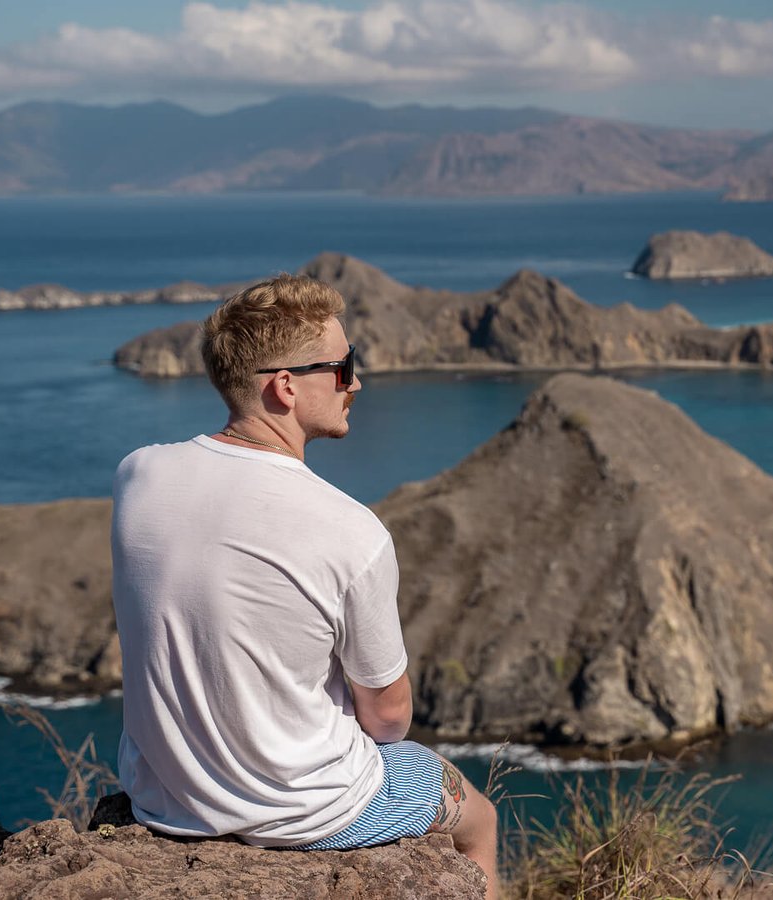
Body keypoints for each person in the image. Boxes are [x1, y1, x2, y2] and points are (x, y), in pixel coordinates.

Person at [110, 274, 498, 898]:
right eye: (345, 367)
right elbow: (389, 719)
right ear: (286, 386)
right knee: (480, 822)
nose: (358, 383)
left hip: (164, 800)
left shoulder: (138, 474)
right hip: (309, 813)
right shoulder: (350, 531)